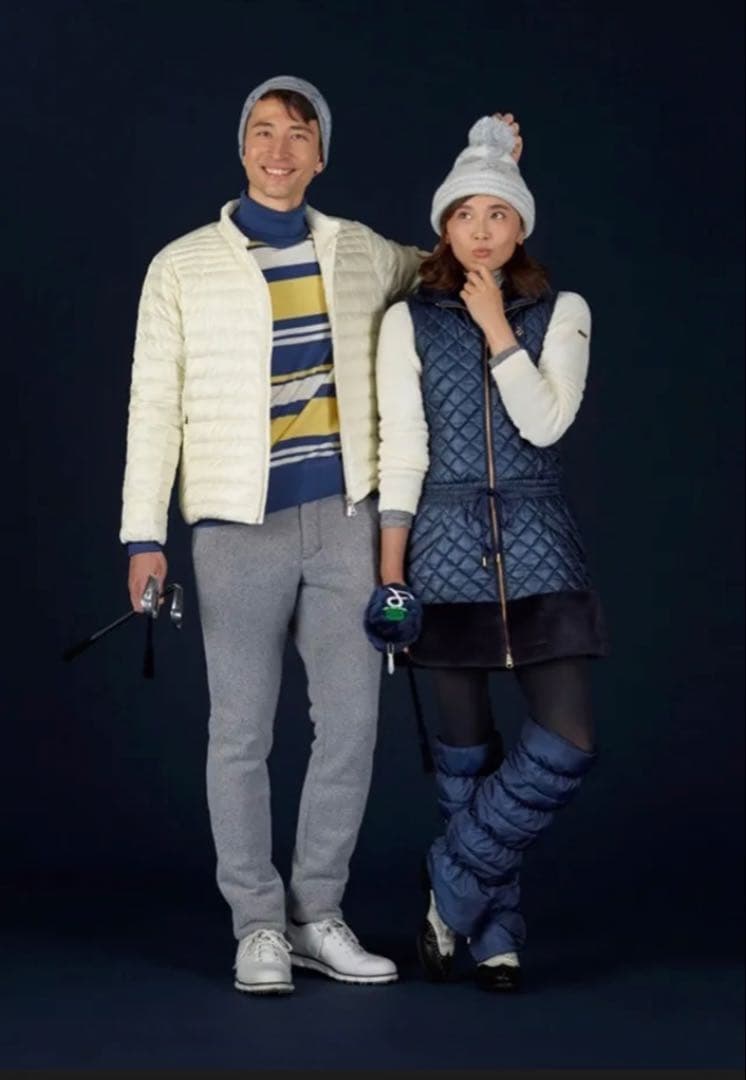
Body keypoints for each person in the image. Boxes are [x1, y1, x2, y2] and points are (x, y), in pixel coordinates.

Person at [120, 75, 523, 995]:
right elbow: (153, 407)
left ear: (321, 155)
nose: (279, 150)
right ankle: (258, 925)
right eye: (264, 132)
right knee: (239, 733)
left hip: (347, 522)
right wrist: (143, 534)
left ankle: (317, 914)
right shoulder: (181, 266)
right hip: (236, 527)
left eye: (299, 135)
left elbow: (459, 254)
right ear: (242, 147)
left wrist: (494, 169)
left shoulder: (359, 252)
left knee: (350, 726)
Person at [376, 115, 608, 991]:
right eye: (465, 213)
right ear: (444, 226)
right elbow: (404, 449)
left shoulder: (563, 312)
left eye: (498, 213)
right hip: (440, 549)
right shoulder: (407, 322)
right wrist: (391, 570)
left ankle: (450, 883)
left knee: (567, 738)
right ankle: (495, 933)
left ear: (521, 227)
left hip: (541, 544)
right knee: (464, 749)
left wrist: (497, 330)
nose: (480, 230)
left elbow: (546, 423)